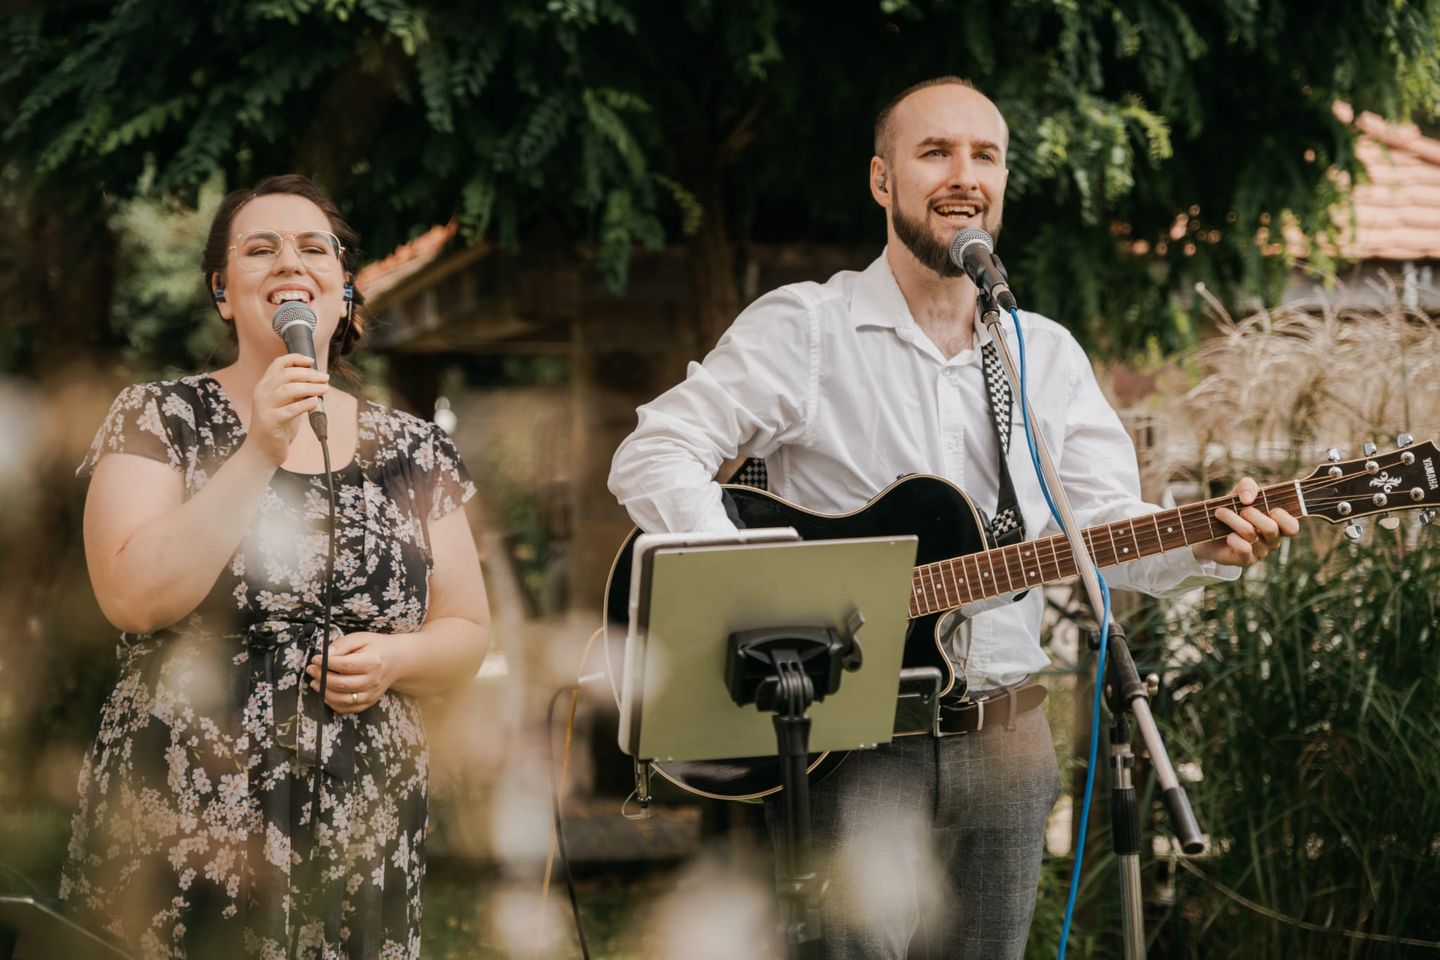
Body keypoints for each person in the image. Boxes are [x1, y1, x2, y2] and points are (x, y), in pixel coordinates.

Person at [608, 78, 1300, 959]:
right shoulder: (808, 330)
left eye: (986, 155)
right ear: (881, 180)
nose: (964, 175)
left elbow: (1106, 531)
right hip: (857, 748)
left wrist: (1206, 542)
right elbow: (654, 450)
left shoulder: (1040, 352)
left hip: (1009, 744)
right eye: (935, 152)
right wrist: (753, 588)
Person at [59, 174, 491, 959]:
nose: (290, 262)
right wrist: (258, 445)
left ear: (343, 288)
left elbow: (467, 631)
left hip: (363, 818)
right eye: (260, 249)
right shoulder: (158, 417)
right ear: (225, 293)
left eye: (313, 248)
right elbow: (132, 597)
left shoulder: (415, 449)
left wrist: (397, 657)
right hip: (187, 802)